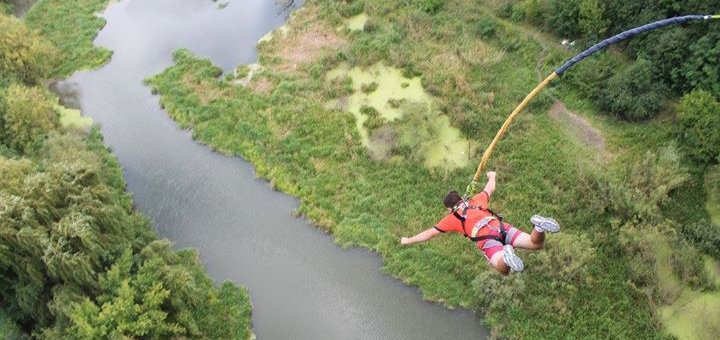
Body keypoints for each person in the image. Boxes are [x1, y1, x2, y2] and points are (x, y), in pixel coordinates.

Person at [400, 171, 560, 275]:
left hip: (486, 238)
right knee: (535, 243)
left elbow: (429, 233)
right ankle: (538, 227)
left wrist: (409, 240)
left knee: (503, 268)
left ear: (449, 209)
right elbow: (490, 187)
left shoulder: (452, 218)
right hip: (500, 227)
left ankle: (506, 257)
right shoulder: (476, 200)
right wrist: (492, 176)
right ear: (461, 199)